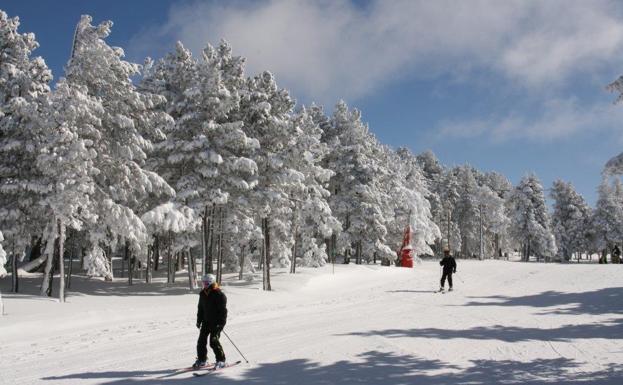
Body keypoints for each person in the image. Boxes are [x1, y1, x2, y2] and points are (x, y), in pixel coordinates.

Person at [193, 274, 228, 369]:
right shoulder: (203, 293)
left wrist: (221, 323)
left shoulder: (219, 294)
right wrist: (199, 320)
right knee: (201, 341)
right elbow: (200, 308)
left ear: (211, 282)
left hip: (216, 323)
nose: (204, 284)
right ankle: (202, 359)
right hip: (205, 322)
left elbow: (223, 311)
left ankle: (221, 360)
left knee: (213, 341)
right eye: (203, 283)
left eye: (206, 283)